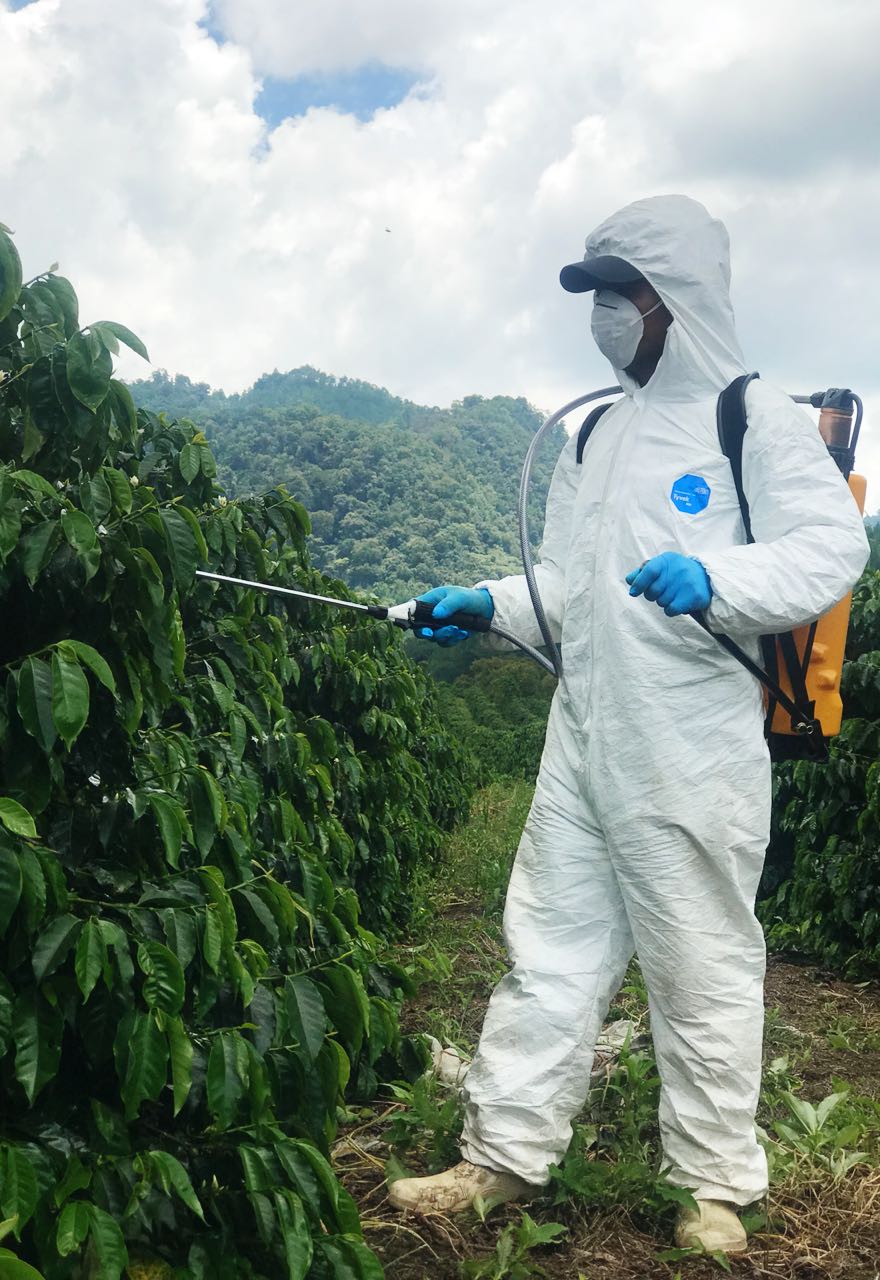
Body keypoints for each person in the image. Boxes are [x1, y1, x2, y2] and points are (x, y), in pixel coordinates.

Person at [388, 195, 869, 1252]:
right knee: (548, 943)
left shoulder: (756, 417)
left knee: (699, 959)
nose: (604, 315)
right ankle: (502, 1156)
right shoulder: (597, 432)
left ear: (675, 301)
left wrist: (719, 576)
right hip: (587, 731)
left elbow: (832, 551)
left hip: (691, 741)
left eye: (620, 293)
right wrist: (489, 601)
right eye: (596, 294)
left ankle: (711, 1185)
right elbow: (565, 581)